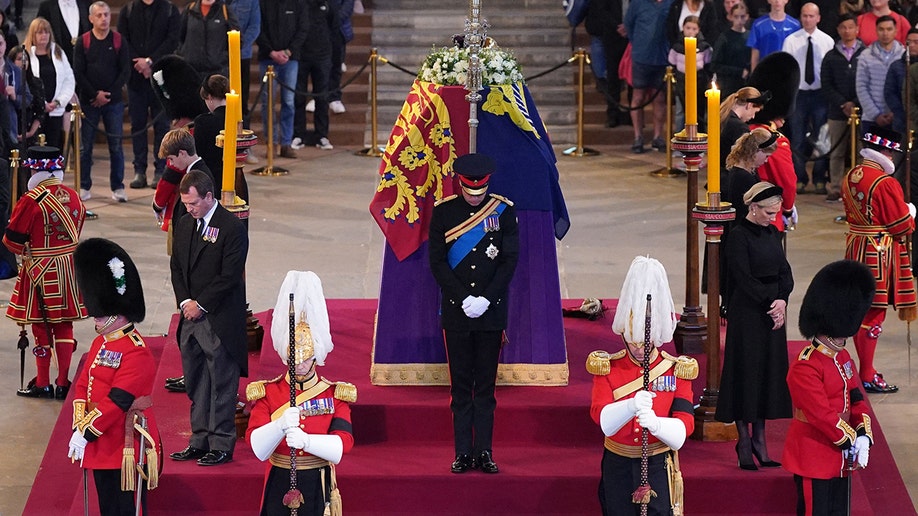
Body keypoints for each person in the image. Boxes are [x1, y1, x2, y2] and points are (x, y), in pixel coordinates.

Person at [428, 153, 519, 474]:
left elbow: (508, 261)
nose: (474, 195)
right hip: (457, 311)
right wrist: (463, 297)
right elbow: (437, 262)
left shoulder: (503, 211)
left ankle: (485, 452)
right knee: (460, 387)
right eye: (469, 190)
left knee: (486, 389)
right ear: (460, 183)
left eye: (480, 191)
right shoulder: (444, 212)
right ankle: (462, 453)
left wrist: (486, 298)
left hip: (491, 312)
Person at [588, 255, 697, 516]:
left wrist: (658, 424)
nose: (638, 348)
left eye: (643, 342)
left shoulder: (676, 369)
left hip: (658, 462)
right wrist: (630, 406)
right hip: (618, 464)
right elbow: (601, 418)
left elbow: (685, 427)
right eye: (632, 340)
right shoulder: (608, 367)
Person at [246, 270, 354, 516]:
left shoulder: (335, 394)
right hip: (280, 477)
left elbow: (343, 445)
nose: (300, 365)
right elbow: (257, 447)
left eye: (306, 359)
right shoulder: (267, 392)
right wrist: (279, 426)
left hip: (317, 480)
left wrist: (307, 442)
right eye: (295, 359)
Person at [67, 237, 161, 515]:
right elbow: (84, 383)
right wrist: (78, 423)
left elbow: (118, 400)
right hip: (100, 440)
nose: (93, 317)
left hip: (123, 443)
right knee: (106, 506)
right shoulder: (102, 342)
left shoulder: (137, 352)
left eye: (99, 313)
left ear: (117, 313)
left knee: (122, 508)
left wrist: (86, 432)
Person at [169, 170, 249, 466]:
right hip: (191, 318)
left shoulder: (231, 228)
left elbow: (230, 276)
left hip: (219, 320)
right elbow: (176, 266)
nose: (189, 210)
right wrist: (186, 301)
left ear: (209, 197)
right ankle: (199, 440)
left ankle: (221, 444)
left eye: (193, 204)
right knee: (196, 382)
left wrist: (201, 304)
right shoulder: (184, 223)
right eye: (186, 204)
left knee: (221, 385)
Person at [784, 260, 876, 515]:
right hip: (814, 453)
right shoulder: (806, 365)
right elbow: (820, 415)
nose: (843, 339)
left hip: (841, 455)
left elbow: (856, 398)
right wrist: (851, 439)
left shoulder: (843, 358)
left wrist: (864, 434)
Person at [715, 181, 794, 470]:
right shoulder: (737, 237)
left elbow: (785, 272)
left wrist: (782, 300)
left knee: (767, 373)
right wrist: (770, 304)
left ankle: (760, 439)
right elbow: (743, 278)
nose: (773, 217)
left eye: (776, 212)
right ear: (753, 208)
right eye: (769, 212)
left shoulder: (772, 233)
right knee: (745, 372)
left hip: (773, 311)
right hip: (748, 313)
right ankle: (744, 441)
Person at [4, 146, 86, 399]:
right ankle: (63, 382)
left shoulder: (31, 200)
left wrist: (29, 248)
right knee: (64, 325)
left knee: (41, 327)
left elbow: (12, 241)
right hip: (69, 267)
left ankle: (43, 382)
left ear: (36, 170)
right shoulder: (73, 195)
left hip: (40, 269)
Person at [841, 126, 917, 393]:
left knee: (862, 310)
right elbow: (901, 227)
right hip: (879, 252)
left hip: (856, 246)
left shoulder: (852, 174)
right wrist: (910, 212)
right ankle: (867, 373)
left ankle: (865, 369)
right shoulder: (885, 183)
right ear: (886, 151)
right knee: (874, 314)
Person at [118, 0, 180, 190]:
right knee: (137, 125)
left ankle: (160, 169)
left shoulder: (170, 10)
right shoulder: (127, 10)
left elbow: (172, 40)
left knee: (161, 125)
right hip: (136, 78)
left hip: (161, 78)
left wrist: (150, 61)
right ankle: (139, 170)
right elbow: (123, 40)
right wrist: (140, 63)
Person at [73, 1, 130, 204]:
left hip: (113, 101)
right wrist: (94, 94)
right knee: (85, 147)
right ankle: (85, 185)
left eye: (106, 14)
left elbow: (125, 71)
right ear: (91, 18)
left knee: (115, 145)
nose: (104, 18)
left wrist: (108, 93)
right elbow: (78, 72)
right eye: (99, 15)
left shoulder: (118, 40)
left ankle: (118, 186)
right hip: (89, 102)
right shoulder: (83, 41)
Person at [782, 3, 833, 195]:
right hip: (799, 93)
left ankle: (820, 178)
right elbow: (786, 69)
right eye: (805, 16)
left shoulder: (827, 41)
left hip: (820, 93)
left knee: (821, 138)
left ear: (818, 18)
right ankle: (799, 178)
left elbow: (828, 70)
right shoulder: (791, 40)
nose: (808, 19)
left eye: (812, 16)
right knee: (797, 136)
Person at [821, 13, 865, 202]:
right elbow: (826, 84)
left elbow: (867, 82)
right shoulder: (831, 56)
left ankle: (861, 187)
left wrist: (855, 102)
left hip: (862, 110)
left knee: (862, 151)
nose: (847, 31)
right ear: (838, 30)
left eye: (850, 27)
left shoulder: (866, 53)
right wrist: (843, 103)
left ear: (857, 29)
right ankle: (836, 188)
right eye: (843, 27)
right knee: (837, 152)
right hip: (837, 111)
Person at [257, 0, 308, 159]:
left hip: (290, 59)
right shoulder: (262, 3)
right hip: (267, 58)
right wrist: (271, 52)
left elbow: (303, 29)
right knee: (267, 103)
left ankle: (286, 143)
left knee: (289, 101)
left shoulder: (298, 3)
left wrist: (288, 51)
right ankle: (270, 143)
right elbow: (259, 29)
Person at [625, 0, 674, 154]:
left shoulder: (670, 3)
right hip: (641, 57)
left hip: (662, 58)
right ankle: (638, 136)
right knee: (638, 97)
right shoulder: (638, 3)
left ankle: (658, 136)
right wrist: (639, 44)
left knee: (659, 98)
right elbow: (629, 25)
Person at [153, 127, 213, 247]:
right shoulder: (195, 172)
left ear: (182, 153)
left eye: (171, 159)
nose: (171, 164)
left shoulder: (196, 177)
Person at [23, 17, 75, 151]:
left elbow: (69, 79)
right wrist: (42, 103)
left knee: (54, 149)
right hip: (34, 112)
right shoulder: (26, 54)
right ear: (32, 35)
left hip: (55, 110)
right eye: (40, 32)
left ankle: (52, 173)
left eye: (46, 32)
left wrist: (58, 102)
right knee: (35, 151)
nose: (44, 36)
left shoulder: (58, 52)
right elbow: (25, 82)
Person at [855, 15, 904, 134]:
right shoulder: (865, 55)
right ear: (876, 31)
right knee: (871, 152)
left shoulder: (903, 55)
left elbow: (905, 88)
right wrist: (875, 114)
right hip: (871, 119)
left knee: (893, 152)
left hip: (897, 118)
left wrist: (895, 111)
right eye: (881, 29)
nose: (885, 33)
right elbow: (861, 87)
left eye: (889, 29)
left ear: (895, 31)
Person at [585, 0, 630, 128]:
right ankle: (613, 114)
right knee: (613, 77)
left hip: (632, 37)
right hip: (612, 36)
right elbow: (602, 11)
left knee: (632, 78)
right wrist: (618, 27)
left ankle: (633, 114)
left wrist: (629, 26)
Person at [722, 127, 778, 224]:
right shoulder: (742, 177)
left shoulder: (748, 171)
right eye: (766, 156)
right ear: (756, 151)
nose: (766, 161)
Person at [175, 0, 238, 81]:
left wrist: (222, 57)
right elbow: (180, 36)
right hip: (191, 71)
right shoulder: (190, 9)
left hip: (217, 72)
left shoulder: (225, 10)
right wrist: (184, 54)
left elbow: (237, 40)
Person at [668, 16, 713, 131]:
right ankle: (679, 139)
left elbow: (708, 65)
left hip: (699, 84)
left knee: (699, 112)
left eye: (694, 29)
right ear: (683, 28)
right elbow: (672, 63)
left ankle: (701, 140)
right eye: (688, 28)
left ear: (698, 30)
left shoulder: (704, 47)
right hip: (681, 83)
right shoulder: (677, 47)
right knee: (680, 112)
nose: (691, 31)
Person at [718, 86, 769, 167]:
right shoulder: (740, 128)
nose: (753, 117)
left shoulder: (723, 117)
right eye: (755, 112)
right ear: (749, 105)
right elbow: (746, 160)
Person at [711, 1, 752, 98]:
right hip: (728, 85)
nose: (739, 20)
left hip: (746, 84)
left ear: (747, 17)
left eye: (742, 17)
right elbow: (714, 65)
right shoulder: (724, 37)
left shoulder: (751, 36)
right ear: (730, 17)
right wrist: (739, 71)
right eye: (736, 17)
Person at [883, 28, 918, 134]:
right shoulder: (896, 66)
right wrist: (901, 112)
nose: (911, 45)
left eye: (916, 42)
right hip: (900, 118)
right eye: (908, 42)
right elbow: (889, 92)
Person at [747, 0, 799, 71]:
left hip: (787, 73)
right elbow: (755, 56)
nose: (777, 1)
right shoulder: (758, 25)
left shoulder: (795, 25)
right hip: (765, 72)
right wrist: (754, 78)